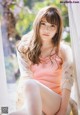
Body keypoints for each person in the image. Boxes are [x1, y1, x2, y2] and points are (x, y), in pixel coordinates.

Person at [9, 6, 77, 115]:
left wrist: (63, 111)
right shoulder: (25, 49)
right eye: (43, 24)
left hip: (57, 102)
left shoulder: (63, 50)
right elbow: (26, 76)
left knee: (30, 84)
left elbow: (67, 82)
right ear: (37, 24)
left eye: (52, 26)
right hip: (35, 103)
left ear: (57, 30)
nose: (47, 29)